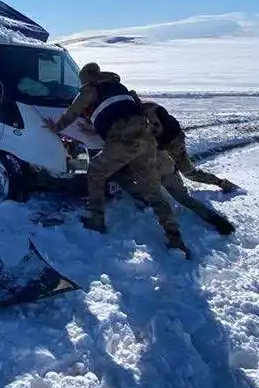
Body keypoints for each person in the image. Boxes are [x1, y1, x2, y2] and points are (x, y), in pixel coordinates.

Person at [44, 62, 191, 258]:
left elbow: (72, 113)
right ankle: (176, 239)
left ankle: (97, 220)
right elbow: (122, 111)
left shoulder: (89, 90)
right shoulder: (118, 87)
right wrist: (97, 127)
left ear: (86, 78)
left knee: (95, 171)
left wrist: (56, 127)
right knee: (153, 190)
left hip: (124, 141)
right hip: (146, 140)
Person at [130, 93, 240, 193]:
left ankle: (223, 184)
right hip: (174, 138)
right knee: (167, 166)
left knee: (188, 172)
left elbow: (157, 129)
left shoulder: (145, 110)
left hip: (172, 142)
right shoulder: (147, 104)